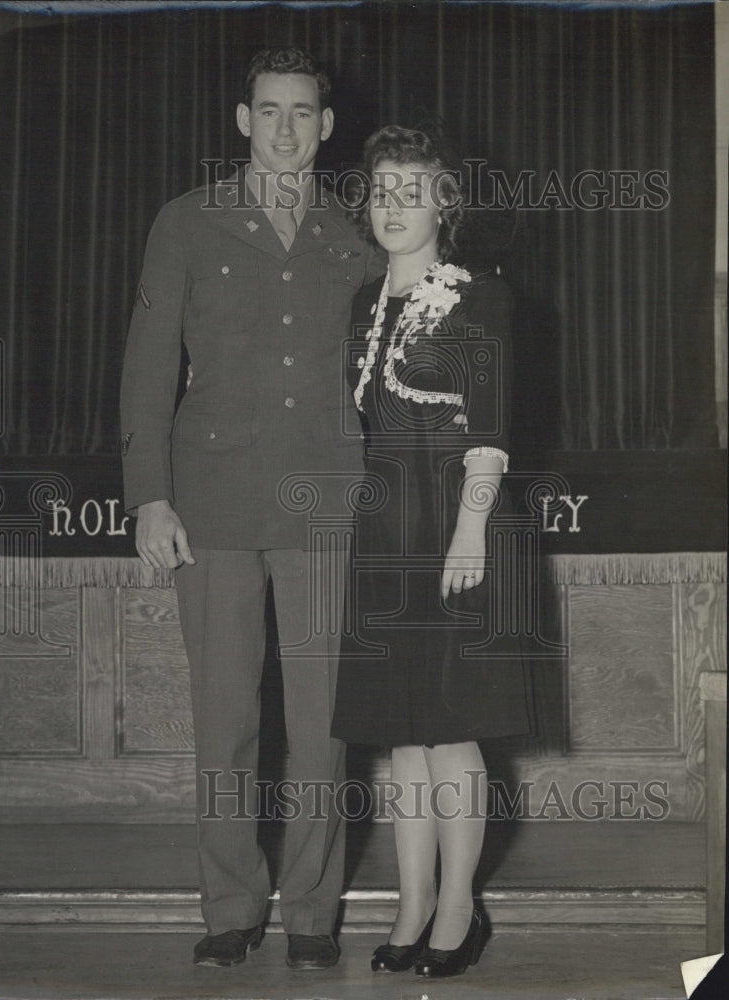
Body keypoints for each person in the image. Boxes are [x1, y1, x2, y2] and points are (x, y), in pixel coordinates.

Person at [120, 48, 378, 971]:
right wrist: (150, 494)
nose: (284, 129)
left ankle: (313, 914)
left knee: (323, 727)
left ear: (326, 126)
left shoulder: (357, 232)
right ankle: (230, 906)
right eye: (268, 111)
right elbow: (149, 365)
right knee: (224, 719)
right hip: (215, 502)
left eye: (302, 113)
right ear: (241, 120)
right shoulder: (187, 224)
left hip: (327, 507)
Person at [332, 125, 533, 979]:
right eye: (383, 191)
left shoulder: (481, 298)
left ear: (444, 203)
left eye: (412, 191)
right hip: (385, 533)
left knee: (451, 734)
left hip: (460, 529)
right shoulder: (361, 303)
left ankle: (459, 910)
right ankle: (411, 904)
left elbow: (487, 435)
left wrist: (469, 531)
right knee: (402, 740)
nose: (394, 207)